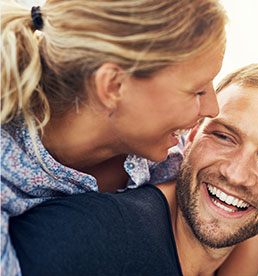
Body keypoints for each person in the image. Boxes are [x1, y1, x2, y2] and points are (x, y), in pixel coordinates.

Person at [9, 63, 258, 275]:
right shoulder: (87, 239)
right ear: (190, 134)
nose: (236, 174)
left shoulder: (246, 249)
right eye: (224, 137)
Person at [1, 0, 228, 275]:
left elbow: (248, 242)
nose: (212, 109)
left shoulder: (166, 156)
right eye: (197, 91)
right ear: (113, 86)